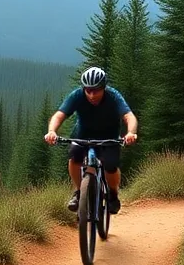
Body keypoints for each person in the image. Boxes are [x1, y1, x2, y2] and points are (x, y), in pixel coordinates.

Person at [44, 66, 138, 214]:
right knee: (75, 157)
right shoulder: (77, 95)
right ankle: (78, 192)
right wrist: (51, 131)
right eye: (88, 90)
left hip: (109, 136)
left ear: (104, 87)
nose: (92, 95)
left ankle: (113, 195)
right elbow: (59, 115)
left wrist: (131, 133)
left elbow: (129, 116)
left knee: (110, 165)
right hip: (82, 134)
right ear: (84, 88)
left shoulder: (113, 96)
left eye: (96, 90)